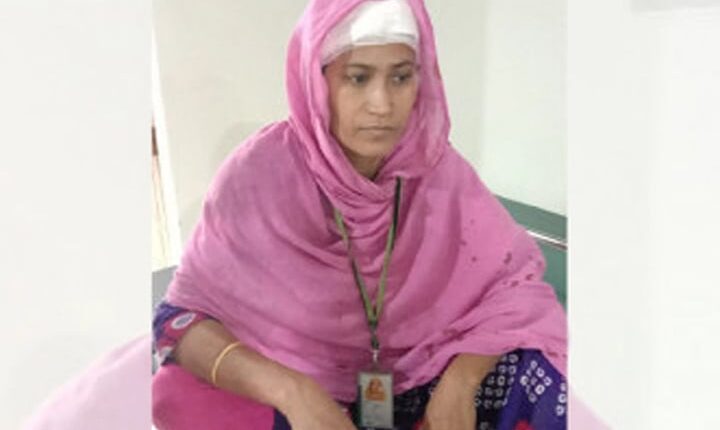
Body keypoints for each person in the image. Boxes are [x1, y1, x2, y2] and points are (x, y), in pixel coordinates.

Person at [151, 0, 567, 429]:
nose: (382, 105)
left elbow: (516, 289)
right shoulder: (257, 175)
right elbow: (181, 319)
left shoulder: (436, 170)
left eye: (401, 77)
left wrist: (461, 382)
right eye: (358, 77)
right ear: (317, 82)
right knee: (178, 393)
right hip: (302, 384)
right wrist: (294, 393)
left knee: (547, 376)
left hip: (422, 378)